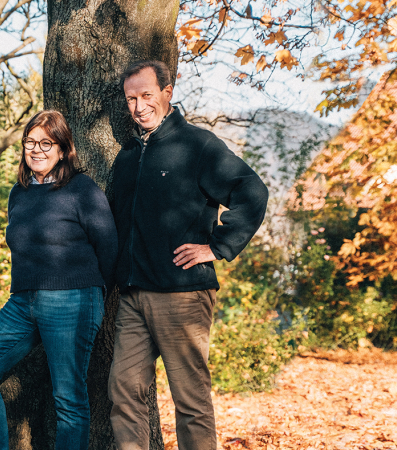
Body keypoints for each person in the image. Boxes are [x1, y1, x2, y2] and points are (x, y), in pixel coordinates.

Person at [107, 60, 268, 450]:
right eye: (131, 98)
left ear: (168, 92)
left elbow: (252, 192)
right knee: (123, 393)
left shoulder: (198, 145)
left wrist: (216, 247)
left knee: (190, 401)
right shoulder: (127, 155)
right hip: (131, 296)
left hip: (182, 295)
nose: (139, 106)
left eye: (147, 95)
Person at [0, 110, 117, 450]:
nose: (37, 149)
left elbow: (108, 247)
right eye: (30, 142)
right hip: (23, 301)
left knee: (68, 400)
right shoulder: (20, 192)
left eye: (46, 143)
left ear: (63, 149)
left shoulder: (82, 189)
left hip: (72, 299)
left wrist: (89, 293)